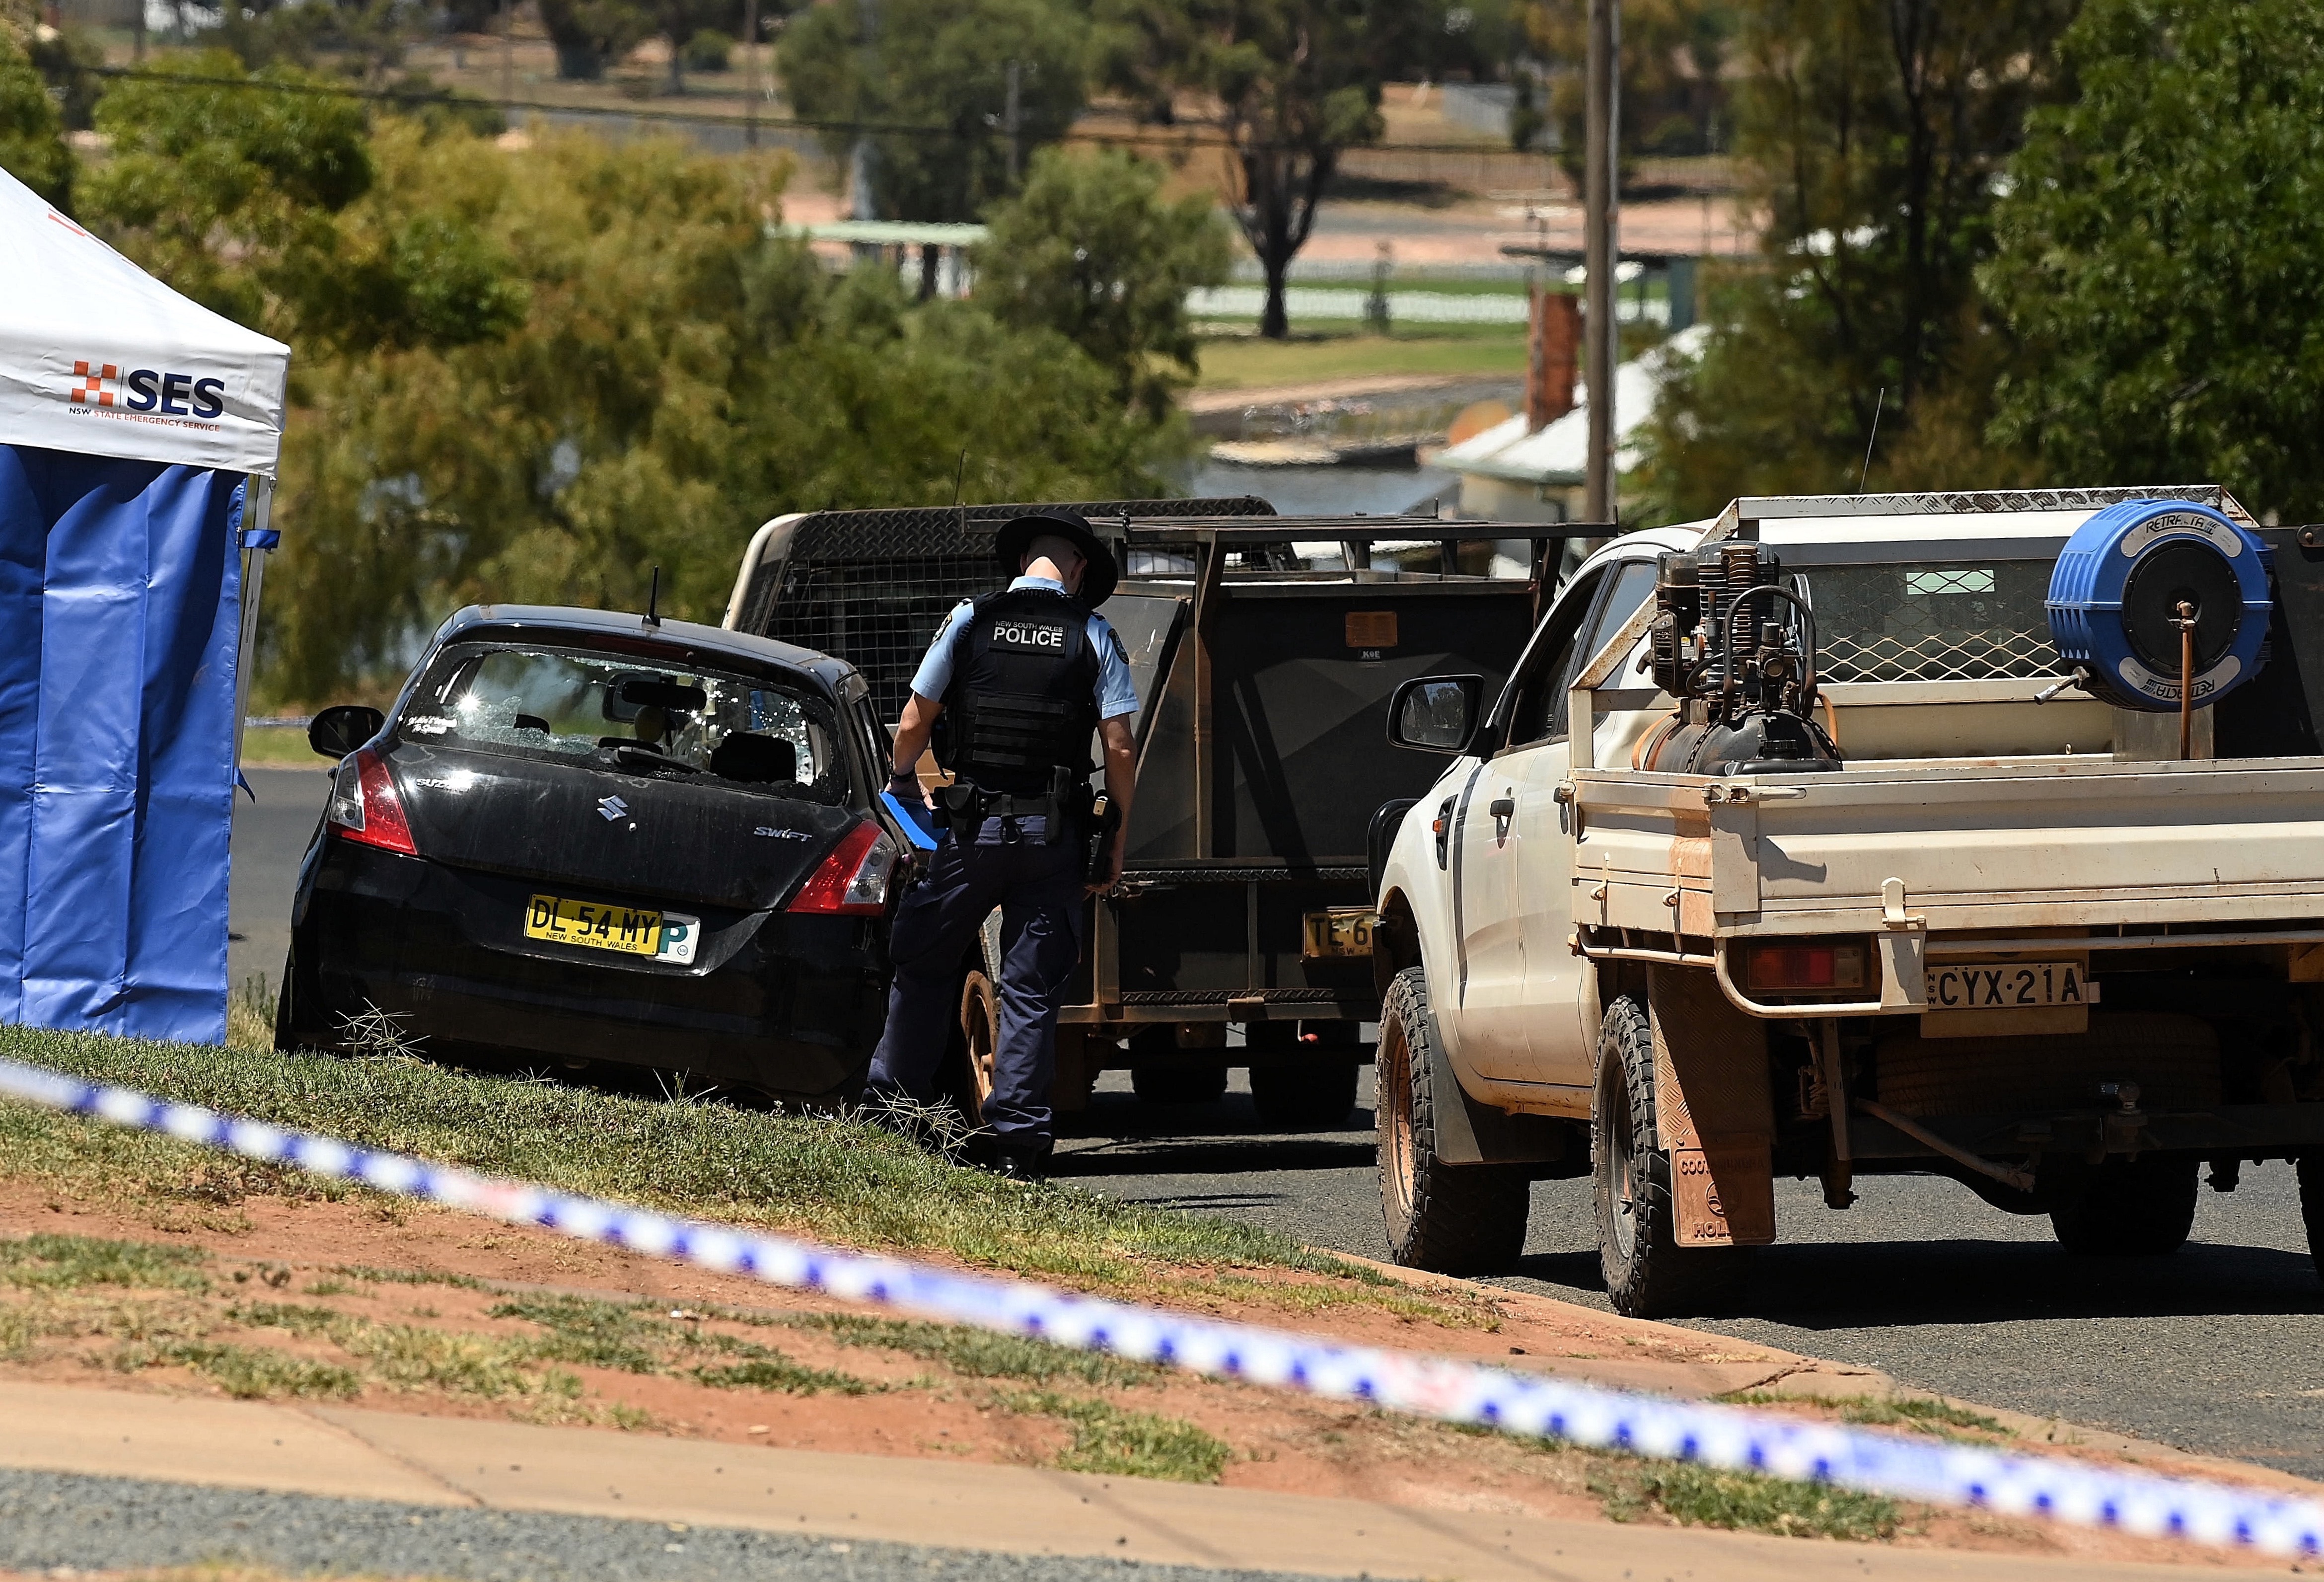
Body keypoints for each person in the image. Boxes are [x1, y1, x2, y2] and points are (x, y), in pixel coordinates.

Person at [865, 508, 1137, 1182]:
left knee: (925, 961)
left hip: (969, 834)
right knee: (1029, 987)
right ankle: (1017, 1144)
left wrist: (902, 781)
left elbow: (913, 721)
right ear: (1076, 570)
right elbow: (1120, 744)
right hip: (1053, 840)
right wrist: (1116, 842)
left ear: (1025, 562)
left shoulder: (970, 620)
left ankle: (894, 1116)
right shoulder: (1094, 634)